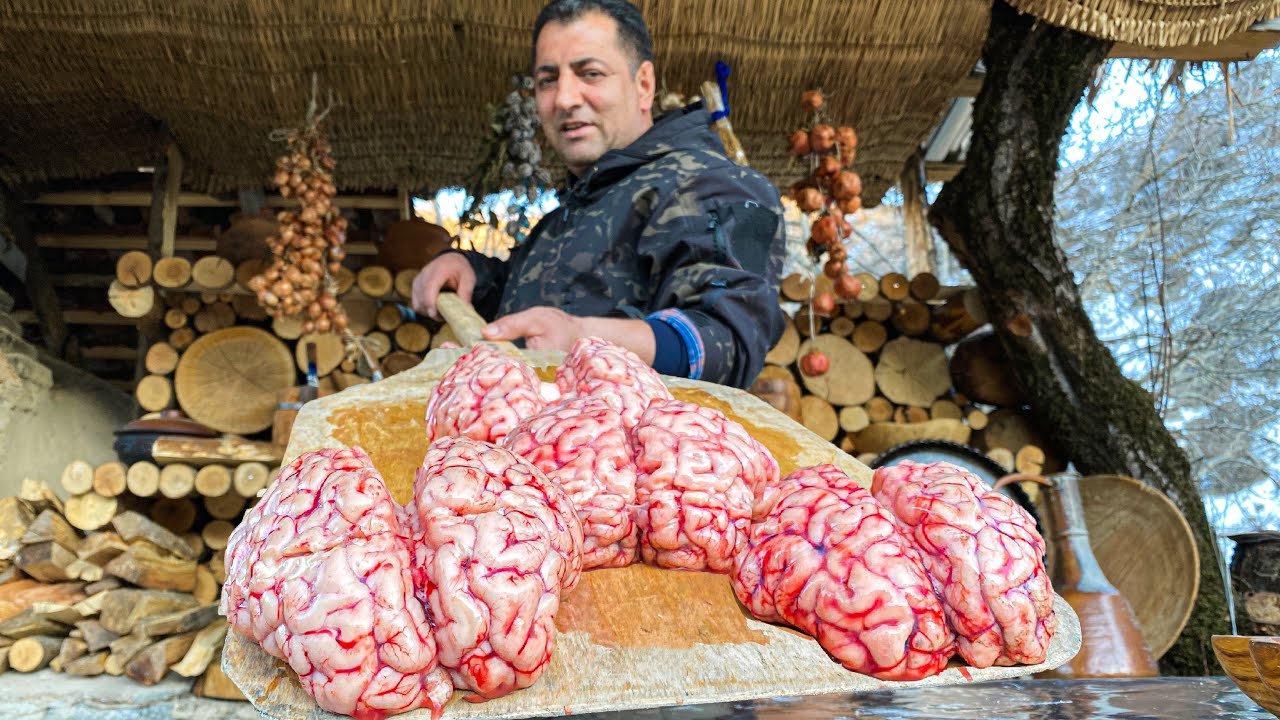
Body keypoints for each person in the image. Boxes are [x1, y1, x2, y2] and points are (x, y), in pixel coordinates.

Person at [411, 0, 786, 389]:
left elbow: (730, 339)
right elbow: (542, 301)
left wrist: (581, 339)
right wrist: (470, 271)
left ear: (643, 85)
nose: (564, 99)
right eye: (547, 80)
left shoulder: (705, 183)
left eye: (590, 73)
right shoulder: (574, 207)